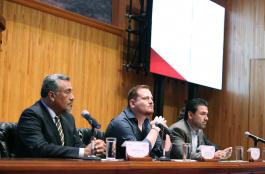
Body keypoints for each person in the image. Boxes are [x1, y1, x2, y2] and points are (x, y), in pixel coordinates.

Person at [15, 74, 106, 158]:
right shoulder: (31, 116)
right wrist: (84, 151)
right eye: (67, 92)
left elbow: (78, 147)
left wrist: (95, 149)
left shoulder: (68, 118)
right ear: (52, 96)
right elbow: (40, 148)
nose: (72, 97)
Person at [105, 85, 171, 159]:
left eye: (151, 98)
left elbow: (163, 154)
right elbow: (137, 153)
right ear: (132, 103)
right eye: (146, 98)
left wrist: (166, 133)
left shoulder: (147, 123)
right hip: (117, 169)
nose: (151, 102)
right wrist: (155, 129)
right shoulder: (120, 123)